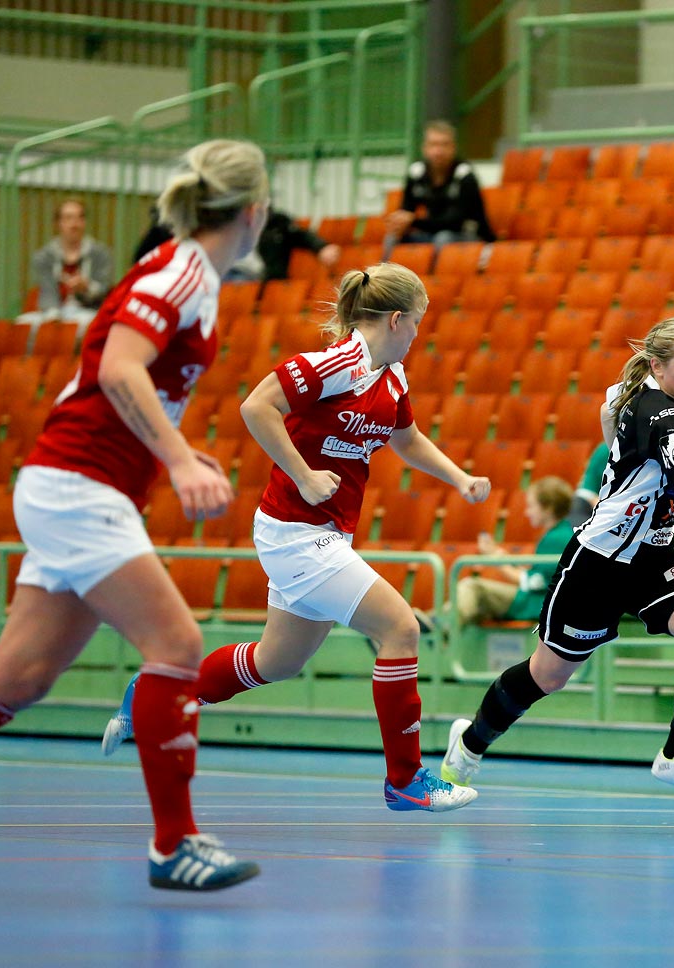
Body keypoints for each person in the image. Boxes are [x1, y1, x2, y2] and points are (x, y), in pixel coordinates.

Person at [0, 139, 271, 891]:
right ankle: (173, 844)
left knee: (19, 676)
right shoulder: (179, 272)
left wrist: (175, 450)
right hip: (77, 483)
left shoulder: (194, 276)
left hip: (82, 483)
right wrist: (176, 460)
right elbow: (115, 367)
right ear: (253, 211)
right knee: (176, 641)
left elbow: (125, 370)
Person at [101, 262, 489, 814]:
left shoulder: (393, 378)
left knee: (276, 661)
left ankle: (157, 693)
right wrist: (304, 476)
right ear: (398, 319)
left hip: (326, 534)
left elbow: (407, 440)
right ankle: (406, 780)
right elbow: (257, 406)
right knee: (401, 628)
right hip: (295, 532)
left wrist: (460, 477)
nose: (420, 335)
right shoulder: (339, 364)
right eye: (420, 323)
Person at [440, 317, 674, 800]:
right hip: (599, 561)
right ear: (659, 367)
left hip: (653, 555)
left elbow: (608, 419)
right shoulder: (663, 414)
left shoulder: (635, 392)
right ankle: (469, 745)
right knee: (547, 675)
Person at [453, 476, 575, 629]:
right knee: (471, 600)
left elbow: (533, 581)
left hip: (535, 603)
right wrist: (498, 554)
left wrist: (494, 558)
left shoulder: (555, 539)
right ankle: (434, 620)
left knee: (472, 587)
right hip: (537, 600)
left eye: (531, 506)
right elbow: (539, 574)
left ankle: (440, 627)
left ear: (548, 509)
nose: (526, 512)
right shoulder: (561, 533)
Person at [381, 120, 495, 260]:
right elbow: (407, 209)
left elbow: (455, 221)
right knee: (392, 237)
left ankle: (434, 281)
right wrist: (400, 222)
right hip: (432, 234)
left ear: (453, 147)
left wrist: (413, 221)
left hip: (467, 236)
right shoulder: (416, 172)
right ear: (425, 148)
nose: (438, 151)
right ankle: (385, 279)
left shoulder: (465, 175)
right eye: (433, 144)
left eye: (444, 145)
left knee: (443, 238)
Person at [137, 207, 340, 284]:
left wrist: (322, 247)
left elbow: (301, 235)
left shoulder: (275, 221)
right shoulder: (223, 223)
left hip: (257, 279)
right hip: (222, 272)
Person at [21, 198, 115, 329]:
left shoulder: (100, 254)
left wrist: (86, 287)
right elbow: (47, 291)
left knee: (84, 324)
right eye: (68, 218)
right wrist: (53, 318)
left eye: (79, 218)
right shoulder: (44, 256)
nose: (74, 224)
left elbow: (104, 290)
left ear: (84, 222)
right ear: (58, 223)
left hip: (88, 310)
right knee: (24, 323)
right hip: (54, 310)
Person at [224, 209, 342, 283]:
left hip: (267, 279)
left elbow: (302, 236)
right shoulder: (230, 224)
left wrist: (321, 247)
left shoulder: (277, 223)